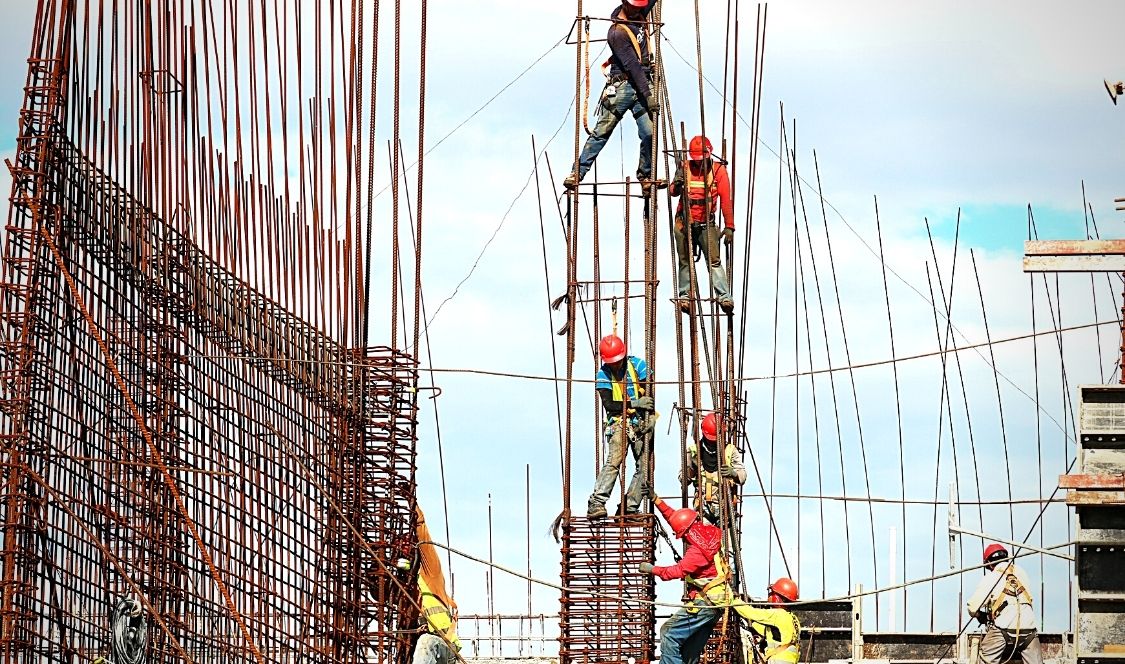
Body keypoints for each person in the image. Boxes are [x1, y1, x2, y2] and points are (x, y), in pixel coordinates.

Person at [564, 0, 658, 190]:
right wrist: (648, 95)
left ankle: (645, 175)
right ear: (625, 4)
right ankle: (578, 172)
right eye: (635, 6)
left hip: (642, 83)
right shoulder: (617, 33)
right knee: (602, 132)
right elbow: (633, 66)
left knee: (649, 133)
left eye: (641, 7)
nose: (639, 10)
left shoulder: (638, 14)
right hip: (624, 85)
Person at [639, 498, 726, 664]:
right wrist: (657, 500)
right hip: (717, 603)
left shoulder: (697, 552)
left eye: (683, 536)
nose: (683, 539)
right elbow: (678, 519)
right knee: (690, 649)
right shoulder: (710, 532)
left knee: (668, 633)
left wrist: (652, 569)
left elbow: (676, 571)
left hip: (705, 603)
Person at [587, 334, 656, 518]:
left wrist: (650, 416)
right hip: (618, 423)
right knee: (614, 462)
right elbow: (609, 405)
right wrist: (635, 404)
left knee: (645, 467)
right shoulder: (603, 374)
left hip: (639, 423)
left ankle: (629, 508)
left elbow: (649, 392)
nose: (615, 365)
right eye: (612, 362)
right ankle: (596, 502)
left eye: (617, 361)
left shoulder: (638, 366)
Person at [668, 135, 735, 313]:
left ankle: (724, 296)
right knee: (684, 261)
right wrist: (677, 183)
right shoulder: (685, 167)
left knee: (714, 261)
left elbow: (726, 200)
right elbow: (672, 192)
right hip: (684, 223)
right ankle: (685, 297)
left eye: (702, 160)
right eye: (696, 160)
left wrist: (729, 226)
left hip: (706, 225)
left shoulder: (718, 170)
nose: (699, 163)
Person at [966, 544, 1042, 664]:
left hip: (1003, 630)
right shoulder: (1022, 573)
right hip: (1029, 631)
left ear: (990, 564)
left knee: (985, 660)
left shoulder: (992, 577)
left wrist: (981, 616)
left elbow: (972, 607)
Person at [413, 507, 461, 664]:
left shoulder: (429, 574)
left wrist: (414, 510)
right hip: (428, 655)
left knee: (426, 643)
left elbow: (425, 543)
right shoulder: (405, 589)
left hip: (445, 647)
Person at [681, 411, 746, 525]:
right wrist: (691, 470)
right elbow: (683, 480)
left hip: (725, 508)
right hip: (703, 508)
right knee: (705, 540)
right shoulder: (694, 451)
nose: (712, 442)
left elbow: (743, 476)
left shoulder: (730, 450)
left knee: (727, 541)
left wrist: (733, 474)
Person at [733, 578, 802, 664]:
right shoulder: (793, 618)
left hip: (778, 661)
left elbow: (751, 612)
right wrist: (751, 624)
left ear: (778, 598)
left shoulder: (777, 614)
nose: (769, 595)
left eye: (772, 593)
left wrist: (734, 600)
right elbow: (774, 634)